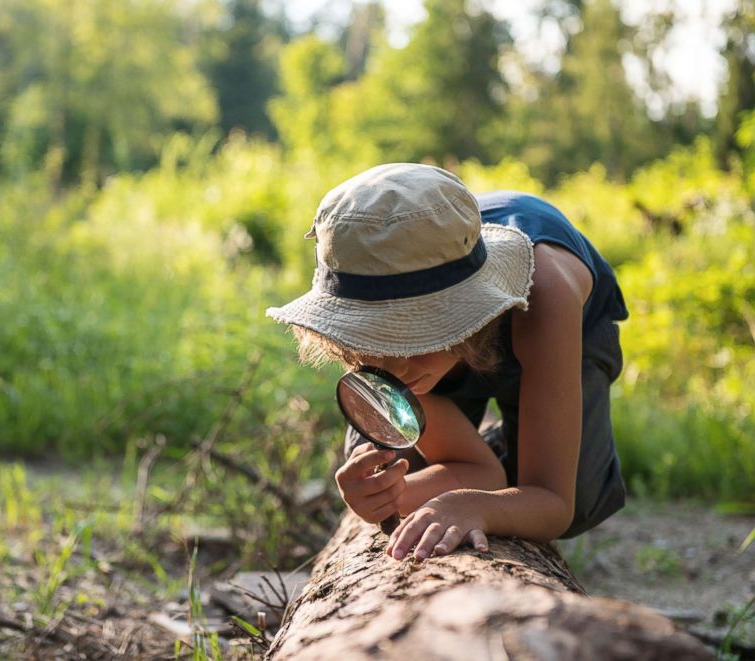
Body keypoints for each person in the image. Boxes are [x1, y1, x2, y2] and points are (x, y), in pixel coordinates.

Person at [266, 163, 628, 561]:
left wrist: (476, 505)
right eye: (373, 337)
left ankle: (517, 445)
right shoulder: (366, 262)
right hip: (442, 301)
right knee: (398, 459)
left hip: (550, 323)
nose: (392, 368)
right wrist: (392, 494)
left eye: (414, 334)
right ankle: (502, 450)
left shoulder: (547, 295)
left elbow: (554, 505)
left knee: (577, 496)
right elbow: (463, 475)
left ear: (458, 309)